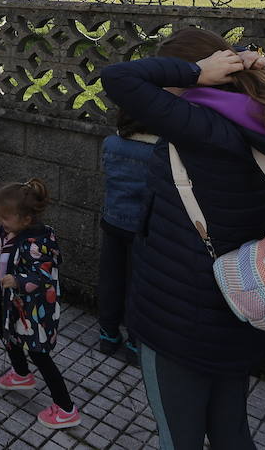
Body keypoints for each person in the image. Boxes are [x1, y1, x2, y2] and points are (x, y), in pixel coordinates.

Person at [100, 27, 265, 450]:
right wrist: (239, 71)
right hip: (238, 307)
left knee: (180, 438)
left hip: (176, 317)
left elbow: (118, 77)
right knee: (231, 431)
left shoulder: (199, 126)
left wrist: (194, 72)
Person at [0, 178, 80, 430]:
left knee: (40, 355)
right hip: (8, 305)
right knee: (6, 333)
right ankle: (21, 374)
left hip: (33, 313)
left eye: (4, 218)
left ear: (26, 220)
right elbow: (1, 250)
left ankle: (66, 408)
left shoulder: (37, 244)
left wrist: (18, 281)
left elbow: (42, 276)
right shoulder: (10, 231)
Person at [96, 110, 154, 360]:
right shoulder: (160, 152)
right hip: (143, 229)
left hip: (112, 221)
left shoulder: (111, 144)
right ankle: (134, 343)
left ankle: (107, 335)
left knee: (110, 280)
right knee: (137, 286)